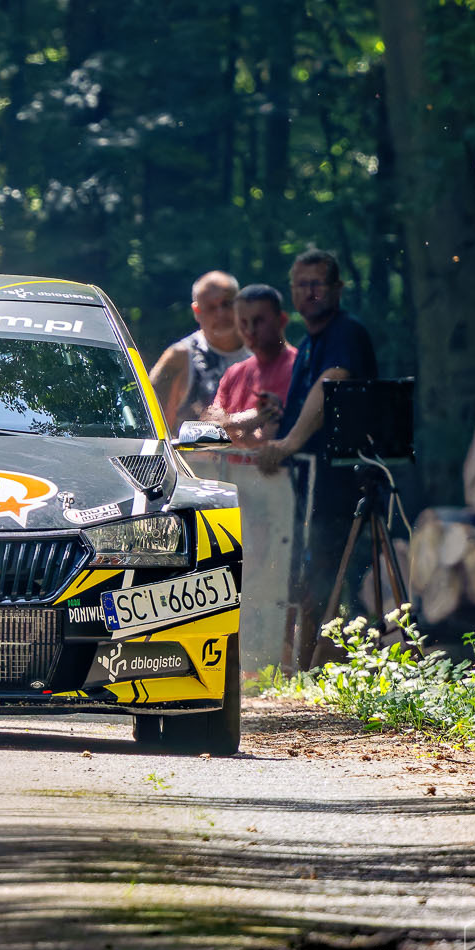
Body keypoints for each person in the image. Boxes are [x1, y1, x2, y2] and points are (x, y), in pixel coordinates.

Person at [252, 250, 379, 670]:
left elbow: (332, 385)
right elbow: (308, 406)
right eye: (301, 284)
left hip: (344, 490)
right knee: (307, 584)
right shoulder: (307, 346)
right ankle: (302, 670)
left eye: (317, 283)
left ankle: (330, 672)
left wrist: (289, 442)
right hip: (310, 492)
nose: (309, 292)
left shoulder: (347, 333)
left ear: (337, 289)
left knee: (332, 586)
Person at [147, 271, 248, 426]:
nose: (220, 313)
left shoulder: (266, 349)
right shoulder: (180, 357)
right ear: (197, 311)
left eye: (227, 304)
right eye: (211, 307)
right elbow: (153, 423)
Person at [209, 285, 298, 448]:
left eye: (258, 321)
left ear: (282, 320)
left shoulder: (300, 369)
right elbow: (210, 428)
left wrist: (231, 425)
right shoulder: (234, 373)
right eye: (243, 322)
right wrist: (256, 418)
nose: (250, 330)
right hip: (229, 464)